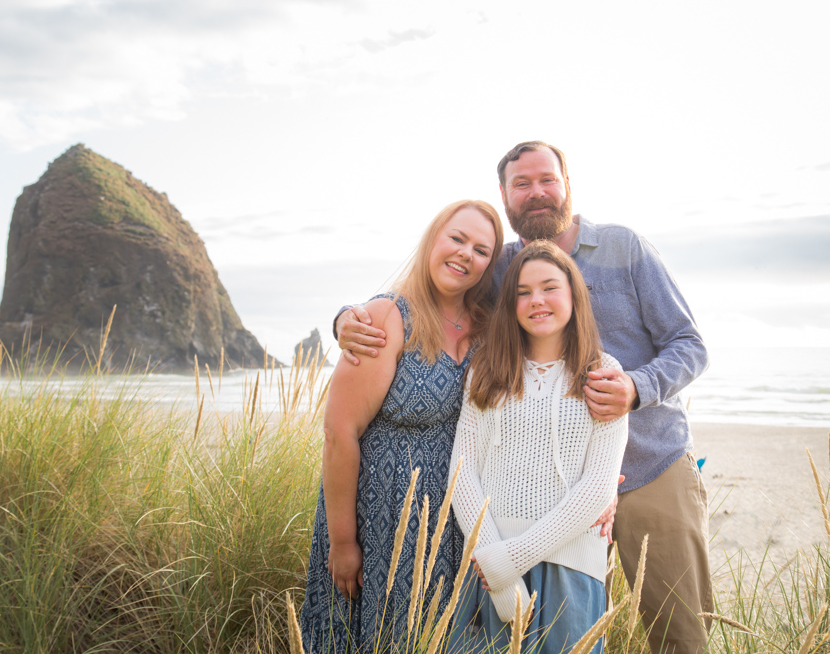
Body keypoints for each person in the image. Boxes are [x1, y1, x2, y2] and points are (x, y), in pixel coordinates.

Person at [336, 142, 711, 654]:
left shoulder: (625, 248)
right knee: (556, 630)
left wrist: (635, 388)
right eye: (521, 184)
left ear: (567, 184)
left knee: (680, 633)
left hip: (649, 468)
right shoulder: (505, 266)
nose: (536, 193)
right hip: (544, 497)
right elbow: (437, 292)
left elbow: (690, 345)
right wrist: (352, 315)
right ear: (505, 197)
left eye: (546, 180)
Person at [300, 199, 504, 652]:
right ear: (433, 239)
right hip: (380, 517)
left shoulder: (488, 324)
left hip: (451, 520)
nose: (466, 253)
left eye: (481, 249)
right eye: (457, 238)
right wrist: (344, 542)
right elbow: (339, 435)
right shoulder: (387, 317)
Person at [447, 240, 627, 654]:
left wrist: (515, 557)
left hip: (570, 566)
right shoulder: (487, 370)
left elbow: (598, 487)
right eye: (523, 292)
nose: (536, 300)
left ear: (573, 295)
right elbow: (463, 471)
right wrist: (494, 558)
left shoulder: (603, 372)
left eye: (549, 287)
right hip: (488, 567)